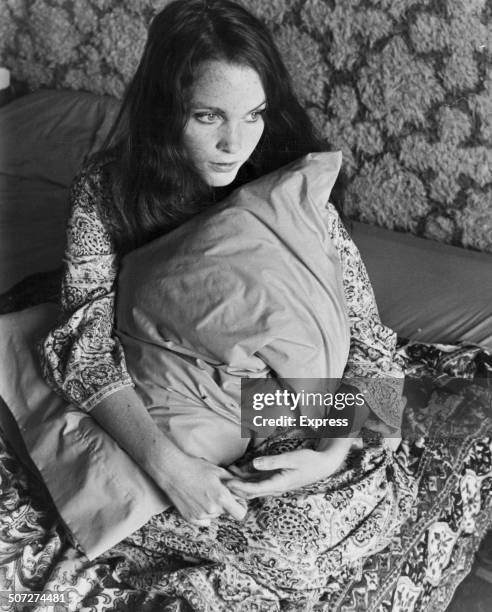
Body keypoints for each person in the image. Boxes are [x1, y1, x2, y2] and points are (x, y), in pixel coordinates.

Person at [39, 0, 404, 533]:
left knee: (312, 524)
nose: (234, 143)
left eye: (253, 115)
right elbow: (84, 344)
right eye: (207, 116)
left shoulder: (289, 192)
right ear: (165, 110)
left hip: (289, 401)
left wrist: (329, 453)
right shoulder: (107, 189)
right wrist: (169, 465)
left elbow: (372, 345)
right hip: (171, 396)